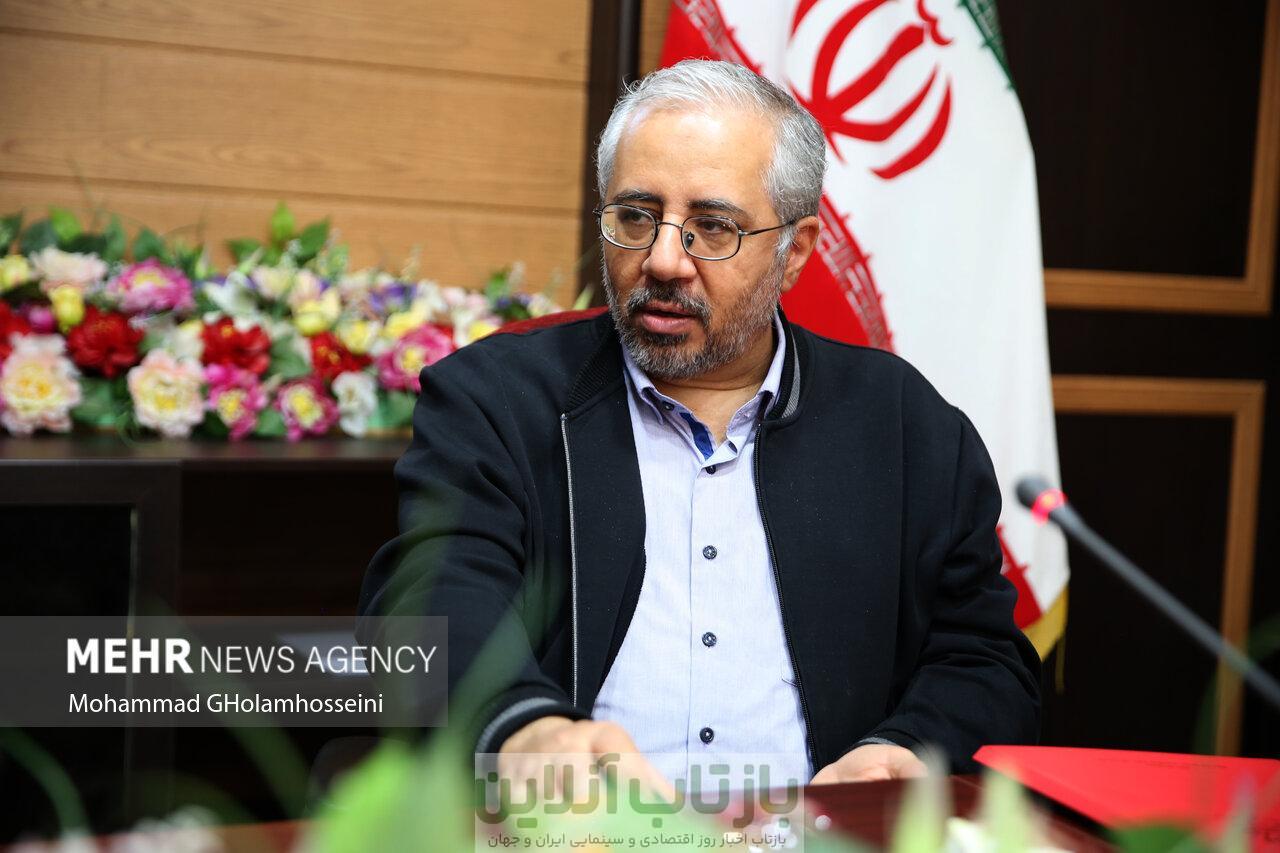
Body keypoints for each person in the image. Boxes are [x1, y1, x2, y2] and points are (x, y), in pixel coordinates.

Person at [358, 59, 1039, 789]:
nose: (663, 260)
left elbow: (984, 658)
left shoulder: (903, 425)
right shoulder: (498, 400)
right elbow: (431, 598)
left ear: (795, 251)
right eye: (635, 216)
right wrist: (524, 729)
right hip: (573, 829)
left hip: (820, 831)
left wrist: (906, 750)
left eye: (712, 227)